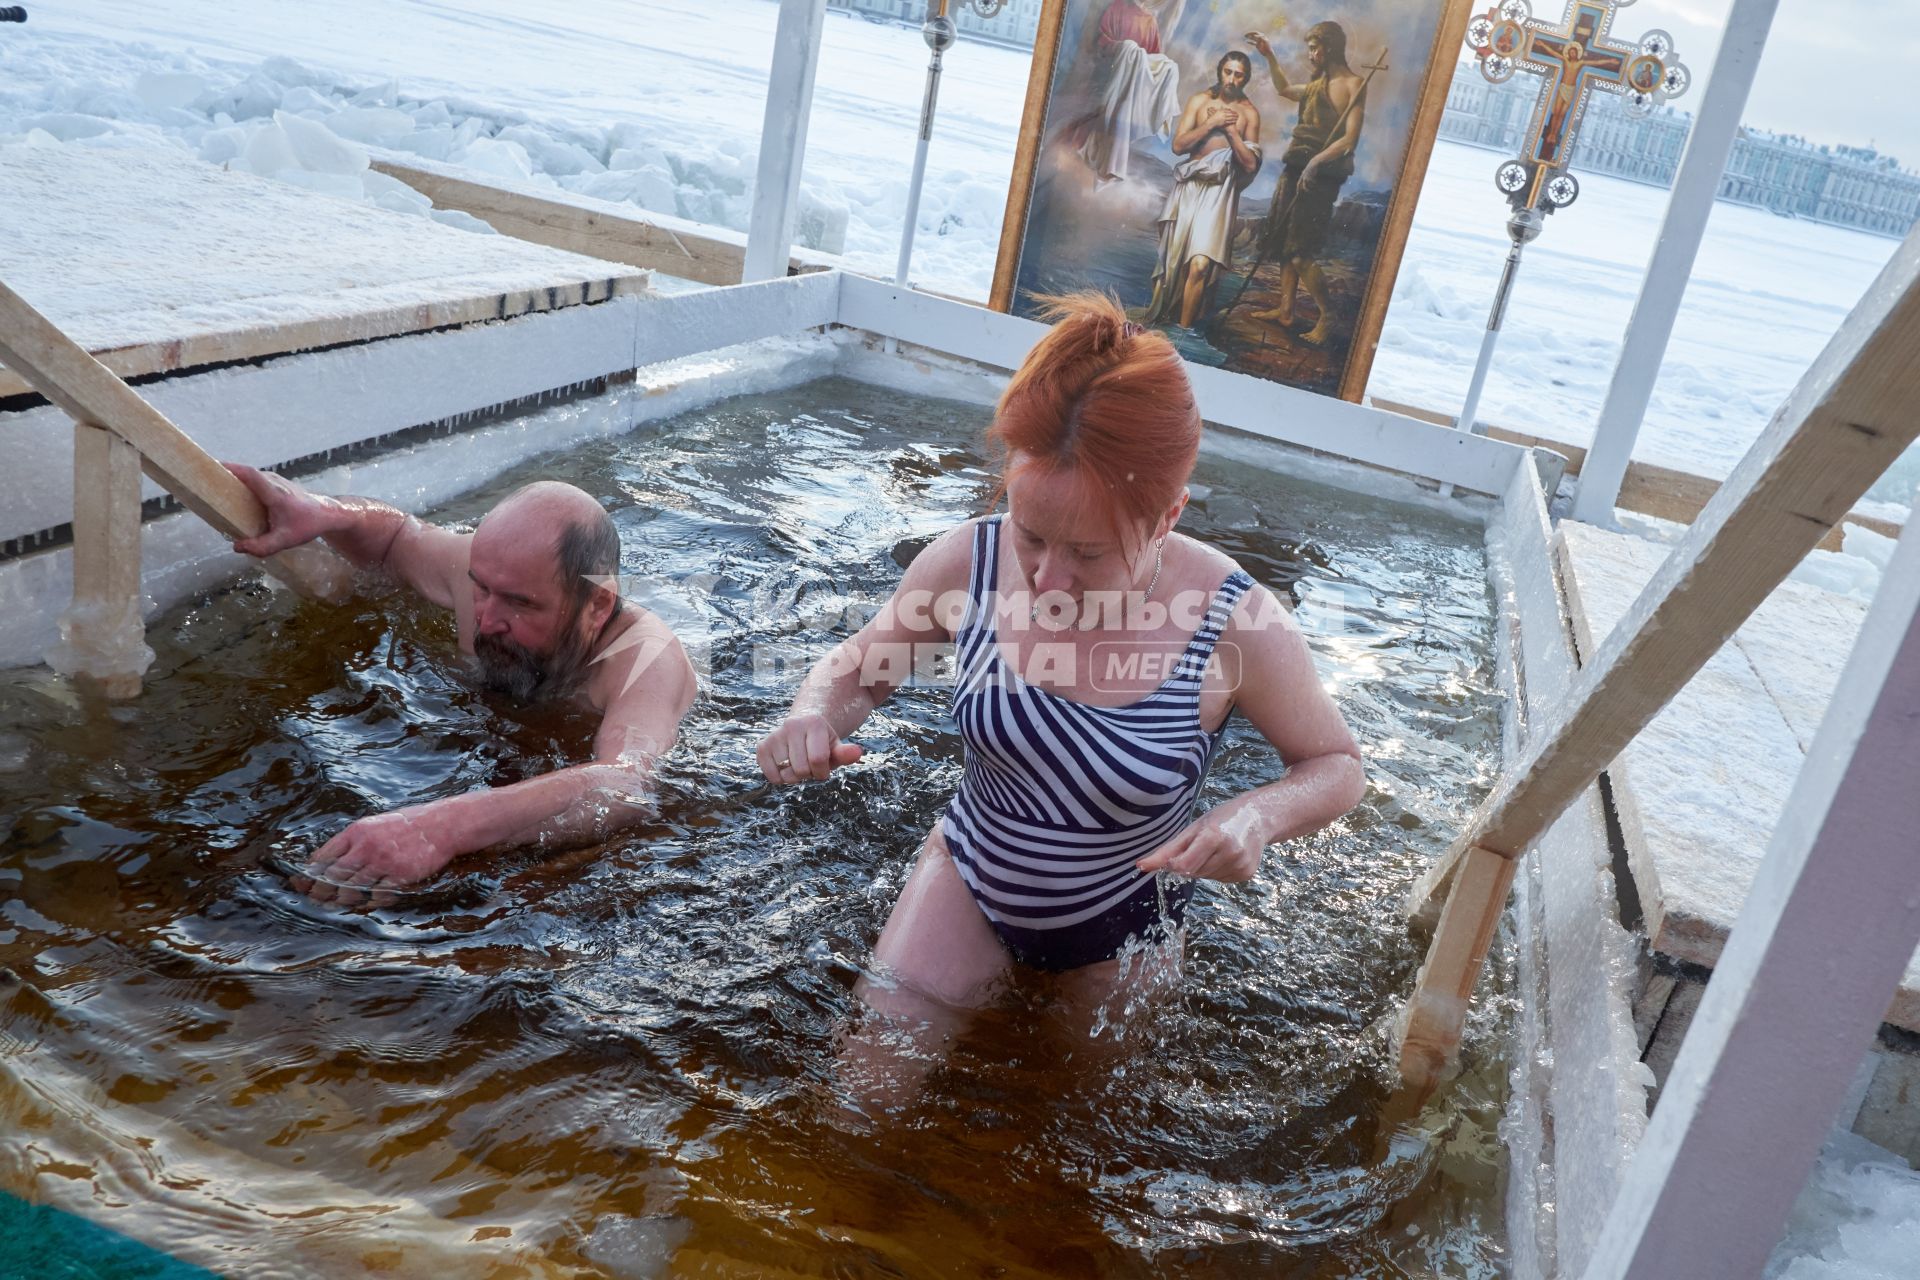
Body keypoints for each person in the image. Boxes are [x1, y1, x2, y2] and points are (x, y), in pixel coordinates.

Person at [757, 294, 1364, 1101]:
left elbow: (1334, 763)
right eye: (1031, 535)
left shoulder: (1232, 617)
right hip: (971, 875)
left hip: (1122, 924)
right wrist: (809, 715)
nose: (1046, 579)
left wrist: (1255, 815)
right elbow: (858, 671)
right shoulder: (962, 565)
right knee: (861, 1096)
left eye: (1086, 553)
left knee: (1075, 1136)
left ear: (1167, 518)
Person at [225, 465, 696, 904]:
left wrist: (438, 830)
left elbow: (628, 782)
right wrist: (324, 511)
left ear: (597, 605)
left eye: (519, 603)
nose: (486, 619)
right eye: (480, 588)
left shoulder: (645, 657)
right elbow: (396, 538)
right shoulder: (495, 575)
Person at [1247, 22, 1366, 346]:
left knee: (1301, 251)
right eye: (1309, 49)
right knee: (1286, 242)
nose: (1311, 55)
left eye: (1316, 49)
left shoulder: (1354, 83)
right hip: (1296, 165)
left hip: (1322, 173)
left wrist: (1315, 163)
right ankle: (1285, 310)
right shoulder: (1317, 84)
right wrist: (1269, 55)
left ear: (1331, 48)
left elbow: (1350, 139)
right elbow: (1285, 89)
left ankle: (1327, 315)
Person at [1144, 51, 1263, 329]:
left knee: (1199, 265)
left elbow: (1249, 165)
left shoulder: (1249, 114)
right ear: (1220, 71)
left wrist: (1232, 131)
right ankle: (1162, 323)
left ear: (1246, 79)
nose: (1232, 79)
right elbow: (1178, 146)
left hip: (1220, 193)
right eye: (1228, 72)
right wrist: (1210, 124)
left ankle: (1183, 335)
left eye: (1239, 74)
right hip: (1188, 188)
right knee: (1172, 266)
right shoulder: (1199, 102)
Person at [1065, 0, 1189, 183]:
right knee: (1101, 120)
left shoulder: (1150, 22)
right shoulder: (1118, 7)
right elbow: (1103, 41)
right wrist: (1126, 48)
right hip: (1110, 76)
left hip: (1131, 87)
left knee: (1121, 120)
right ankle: (1083, 157)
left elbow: (1153, 59)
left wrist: (1157, 65)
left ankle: (1109, 168)